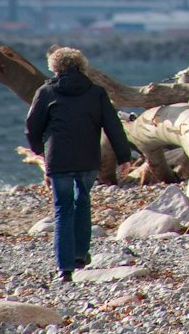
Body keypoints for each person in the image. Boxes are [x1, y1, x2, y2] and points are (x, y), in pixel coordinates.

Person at [25, 47, 136, 284]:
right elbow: (113, 126)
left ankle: (64, 269)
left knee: (62, 210)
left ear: (54, 67)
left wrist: (38, 150)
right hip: (87, 159)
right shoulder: (96, 93)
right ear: (81, 66)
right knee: (82, 201)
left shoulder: (46, 92)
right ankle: (79, 255)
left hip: (59, 159)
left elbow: (31, 127)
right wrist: (124, 157)